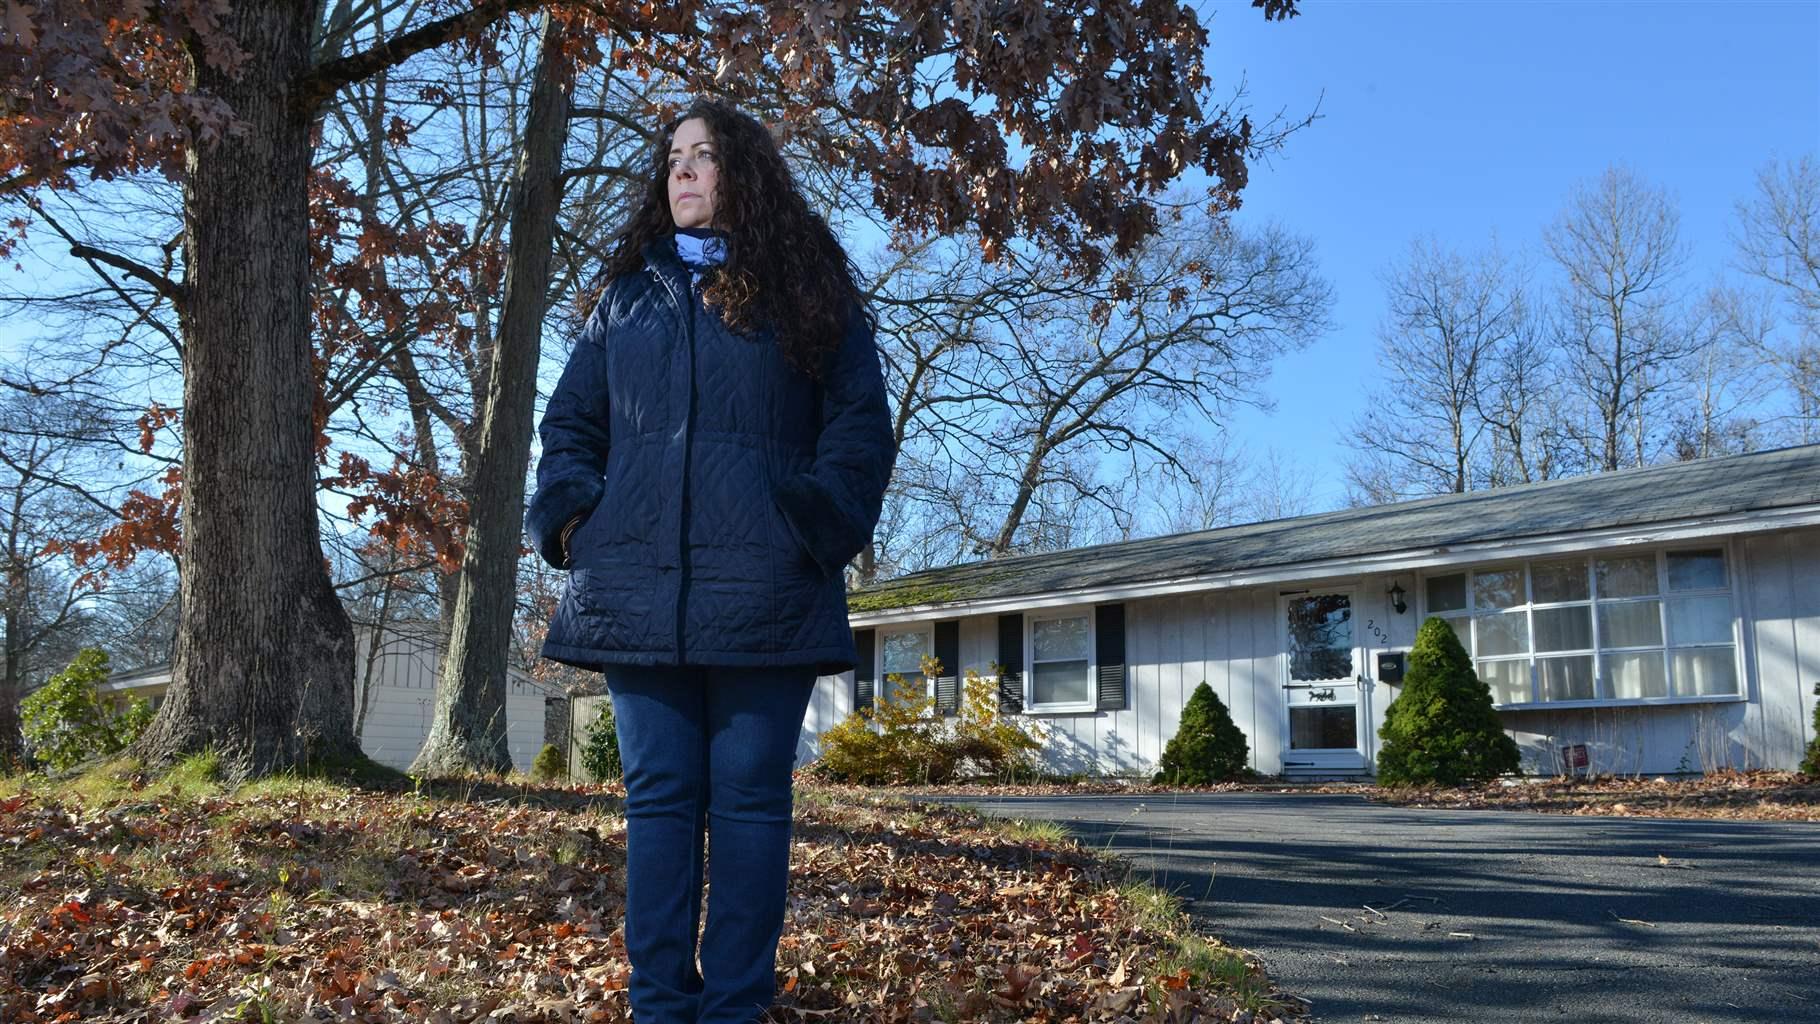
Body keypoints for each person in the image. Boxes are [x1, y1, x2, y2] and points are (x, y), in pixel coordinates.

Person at [525, 97, 897, 1024]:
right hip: (635, 591)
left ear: (744, 172)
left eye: (703, 154)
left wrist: (812, 524)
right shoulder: (626, 296)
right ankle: (658, 1006)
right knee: (656, 803)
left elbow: (860, 423)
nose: (681, 168)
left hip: (766, 590)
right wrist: (575, 522)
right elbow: (571, 423)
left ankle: (734, 1008)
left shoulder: (806, 286)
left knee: (748, 807)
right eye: (673, 156)